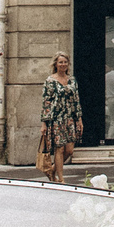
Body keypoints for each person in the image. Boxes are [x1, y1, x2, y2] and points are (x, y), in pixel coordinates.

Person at [37, 55, 81, 184]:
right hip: (56, 118)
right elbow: (46, 102)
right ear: (55, 64)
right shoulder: (50, 81)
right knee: (59, 149)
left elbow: (76, 100)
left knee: (69, 150)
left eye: (65, 62)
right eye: (60, 62)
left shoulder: (72, 80)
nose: (63, 64)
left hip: (70, 118)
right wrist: (44, 123)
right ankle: (61, 179)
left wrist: (79, 119)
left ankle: (52, 170)